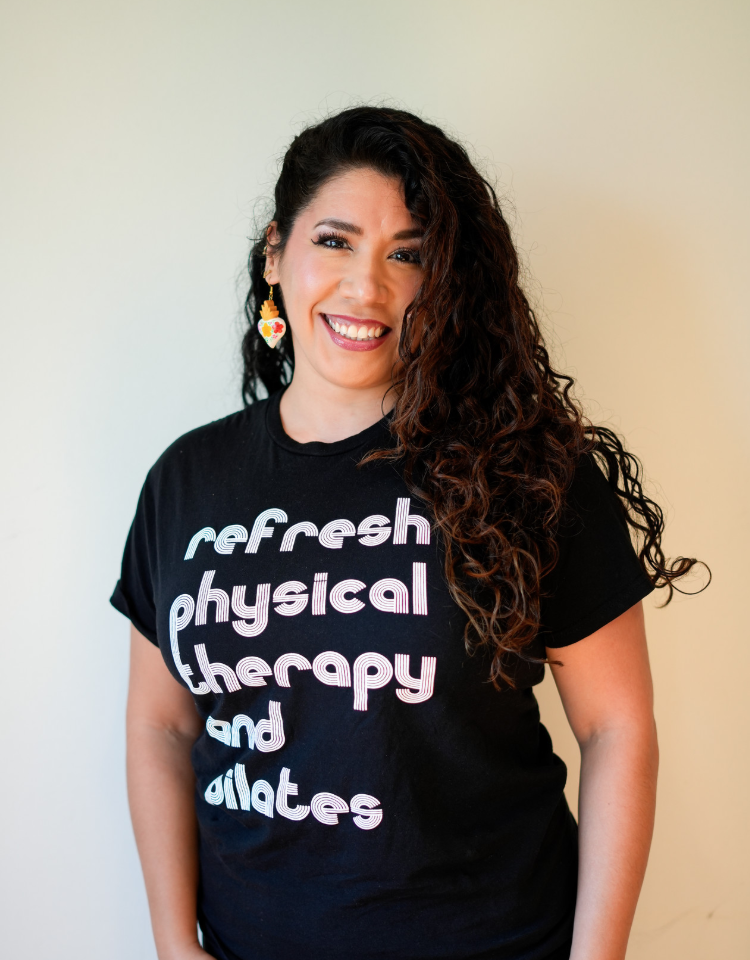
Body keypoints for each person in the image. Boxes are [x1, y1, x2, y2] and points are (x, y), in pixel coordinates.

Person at [111, 106, 702, 960]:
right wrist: (174, 942)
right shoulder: (186, 482)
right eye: (335, 242)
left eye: (407, 255)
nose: (366, 288)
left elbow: (618, 728)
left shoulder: (526, 471)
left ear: (445, 279)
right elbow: (160, 727)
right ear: (276, 252)